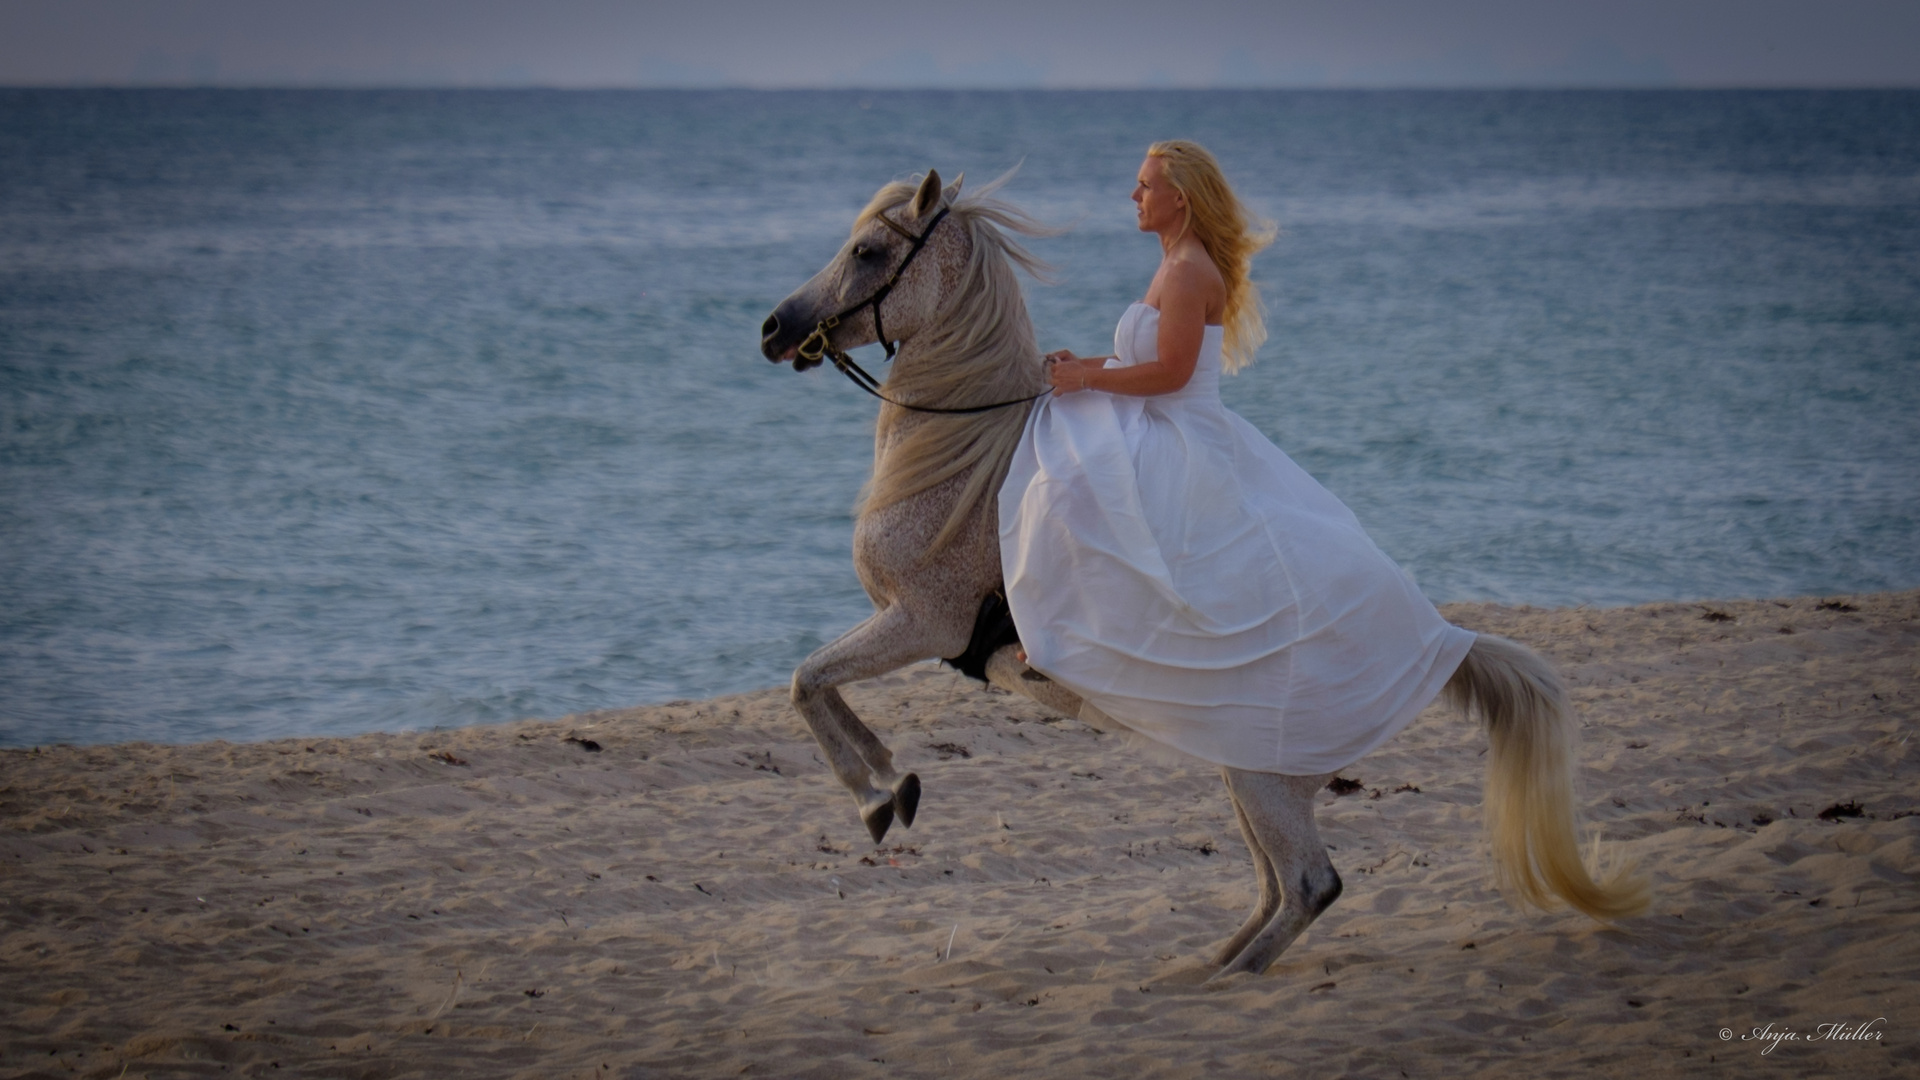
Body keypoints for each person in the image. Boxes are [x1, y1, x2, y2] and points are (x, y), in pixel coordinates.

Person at [999, 140, 1476, 775]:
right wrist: (1080, 365)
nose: (1133, 196)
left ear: (1180, 199)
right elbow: (1144, 360)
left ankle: (1065, 644)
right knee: (1063, 467)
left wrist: (1088, 382)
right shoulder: (1172, 263)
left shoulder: (1191, 270)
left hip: (1180, 431)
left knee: (1069, 489)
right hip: (1155, 417)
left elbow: (1170, 374)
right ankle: (1061, 633)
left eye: (1145, 186)